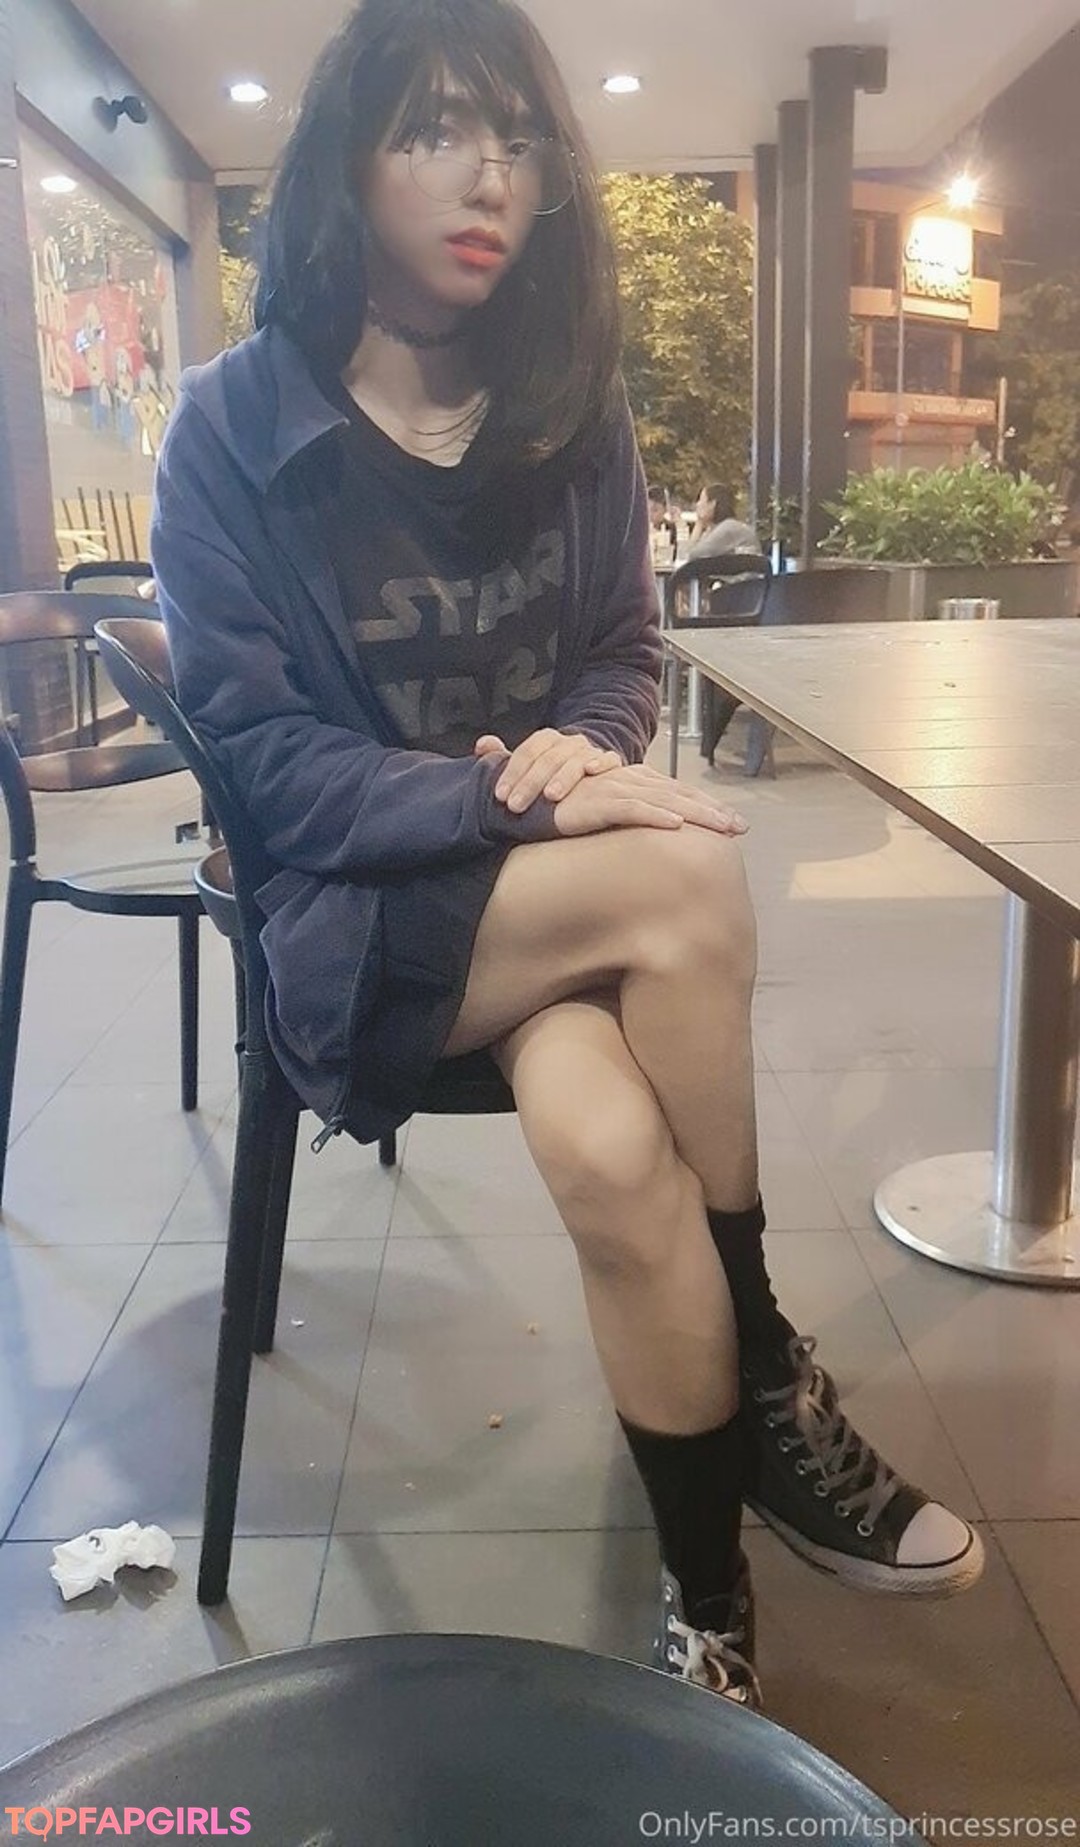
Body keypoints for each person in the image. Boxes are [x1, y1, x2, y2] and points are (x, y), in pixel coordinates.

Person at [151, 0, 983, 1710]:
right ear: (346, 162)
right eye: (434, 129)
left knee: (610, 1148)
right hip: (357, 928)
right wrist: (514, 803)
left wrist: (585, 752)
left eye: (517, 138)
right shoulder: (232, 429)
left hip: (550, 906)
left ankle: (711, 1613)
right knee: (686, 872)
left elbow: (618, 653)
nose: (490, 176)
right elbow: (270, 773)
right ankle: (770, 1363)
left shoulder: (568, 409)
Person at [688, 484, 758, 560]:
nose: (697, 504)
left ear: (712, 504)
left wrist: (699, 524)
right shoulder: (722, 528)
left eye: (700, 500)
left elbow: (693, 556)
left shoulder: (728, 528)